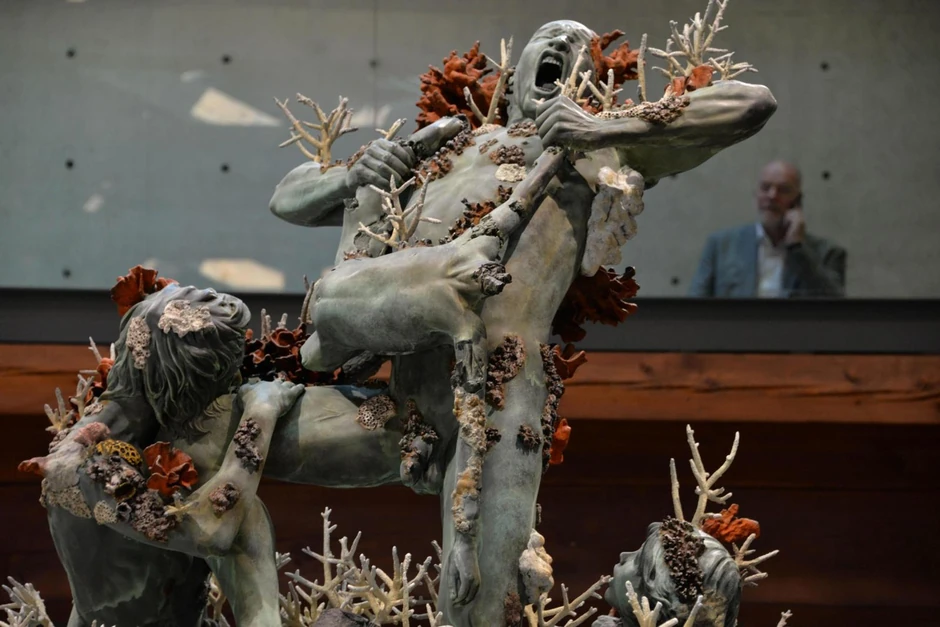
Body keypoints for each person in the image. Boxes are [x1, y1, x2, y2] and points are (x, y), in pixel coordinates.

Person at [270, 19, 776, 626]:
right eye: (549, 36)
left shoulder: (591, 148)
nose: (562, 44)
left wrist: (599, 126)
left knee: (479, 609)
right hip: (401, 407)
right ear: (510, 82)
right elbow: (288, 197)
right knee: (240, 439)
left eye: (578, 48)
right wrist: (355, 174)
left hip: (501, 401)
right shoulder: (443, 149)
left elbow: (751, 103)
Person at [688, 160, 846, 298]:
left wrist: (798, 249)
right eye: (765, 187)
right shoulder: (721, 246)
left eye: (783, 190)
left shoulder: (827, 253)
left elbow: (836, 307)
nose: (772, 195)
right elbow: (694, 308)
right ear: (756, 194)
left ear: (798, 200)